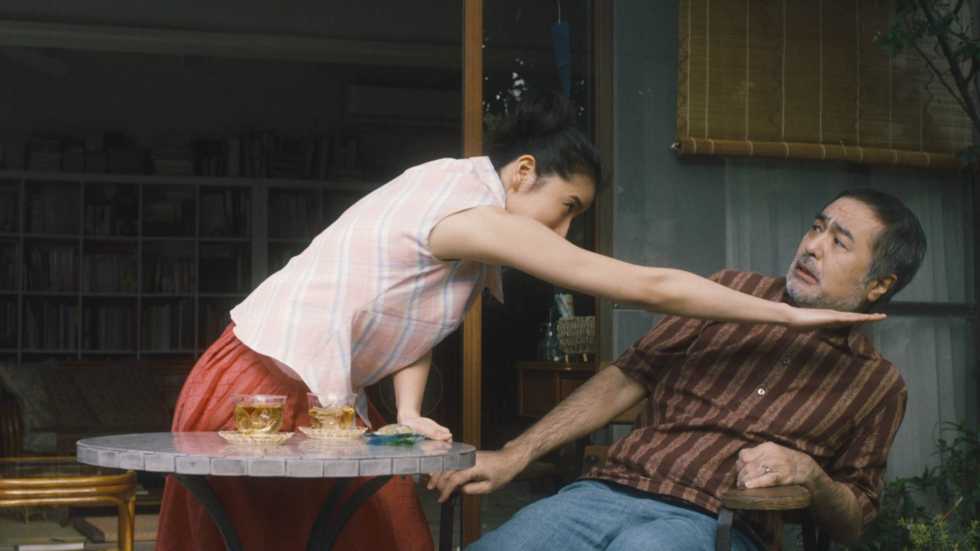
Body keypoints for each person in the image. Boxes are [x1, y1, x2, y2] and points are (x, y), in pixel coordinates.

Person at [157, 93, 884, 551]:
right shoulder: (474, 209)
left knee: (386, 526)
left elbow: (406, 314)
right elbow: (649, 285)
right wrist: (786, 315)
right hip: (259, 385)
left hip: (322, 399)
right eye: (566, 209)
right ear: (524, 172)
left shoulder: (452, 202)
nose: (562, 233)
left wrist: (407, 410)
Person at [431, 189, 926, 551]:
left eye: (840, 242)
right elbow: (628, 376)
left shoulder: (877, 384)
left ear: (879, 284)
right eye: (817, 227)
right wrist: (514, 455)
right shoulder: (729, 292)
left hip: (716, 523)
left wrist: (811, 475)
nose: (813, 246)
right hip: (606, 491)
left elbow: (854, 518)